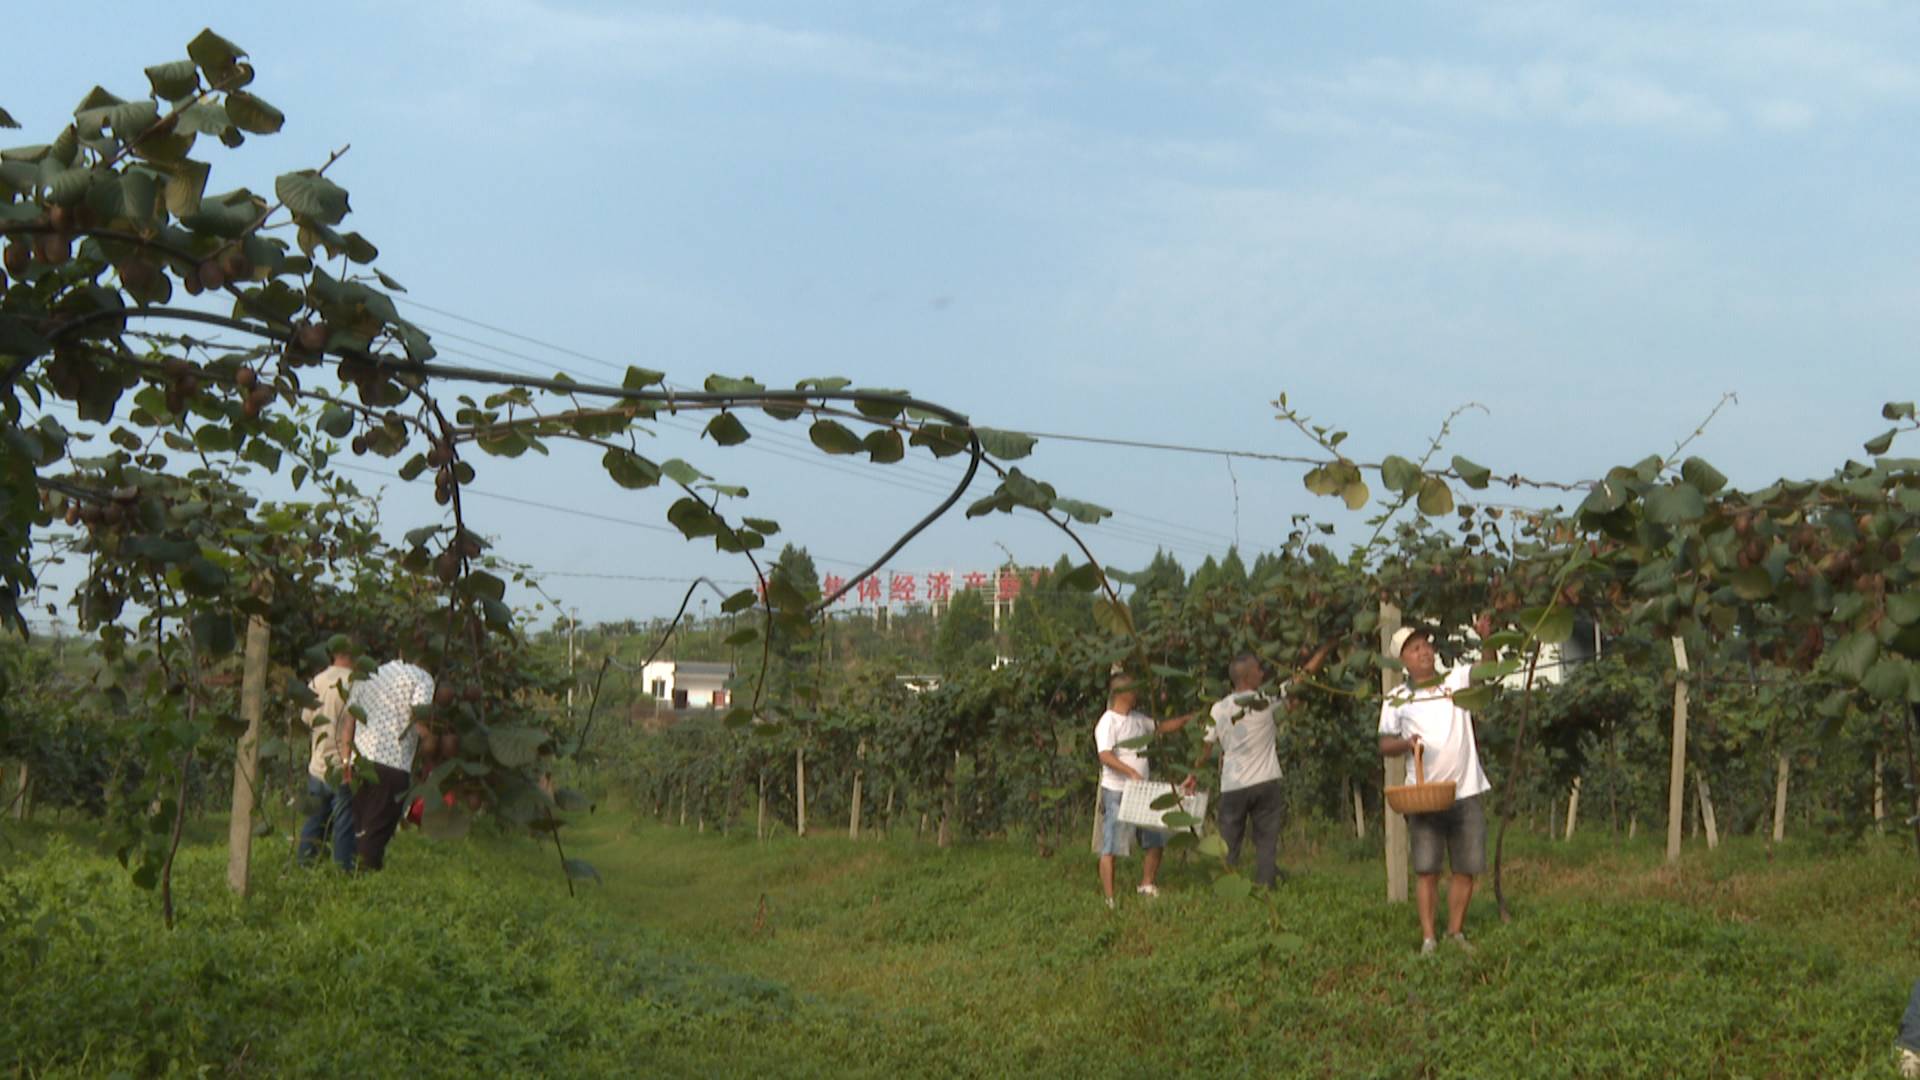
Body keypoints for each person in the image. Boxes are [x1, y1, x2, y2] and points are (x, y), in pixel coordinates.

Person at [1378, 615, 1493, 955]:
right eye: (1415, 648)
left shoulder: (1454, 681)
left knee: (1467, 867)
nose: (1424, 651)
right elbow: (1385, 744)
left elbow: (1486, 672)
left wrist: (1487, 640)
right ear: (1404, 661)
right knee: (1427, 869)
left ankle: (1455, 932)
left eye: (1426, 645)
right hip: (1424, 797)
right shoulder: (1397, 698)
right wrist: (1406, 743)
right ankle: (1429, 938)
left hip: (1465, 789)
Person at [1182, 644, 1333, 888]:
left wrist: (1193, 775)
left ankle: (1228, 889)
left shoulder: (1218, 709)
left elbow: (1206, 746)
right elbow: (1301, 677)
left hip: (1233, 785)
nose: (1263, 674)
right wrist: (1325, 649)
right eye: (1258, 670)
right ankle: (1266, 886)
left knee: (1228, 843)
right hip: (1266, 782)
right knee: (1266, 842)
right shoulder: (1267, 700)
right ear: (1248, 676)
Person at [1094, 674, 1194, 908]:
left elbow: (1161, 727)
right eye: (1133, 689)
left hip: (1141, 792)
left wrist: (1187, 719)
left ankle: (1147, 884)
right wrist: (1129, 771)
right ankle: (1110, 898)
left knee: (1154, 838)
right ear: (1121, 693)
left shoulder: (1138, 720)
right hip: (1118, 791)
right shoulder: (1108, 721)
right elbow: (1105, 755)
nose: (1137, 693)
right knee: (1111, 845)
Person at [338, 654, 436, 872]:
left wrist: (346, 759)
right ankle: (360, 885)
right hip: (392, 764)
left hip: (359, 761)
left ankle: (344, 877)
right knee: (375, 832)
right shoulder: (423, 678)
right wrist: (432, 740)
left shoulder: (368, 675)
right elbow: (419, 721)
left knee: (359, 826)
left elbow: (349, 720)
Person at [295, 646, 357, 870]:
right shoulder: (355, 684)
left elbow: (306, 720)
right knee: (343, 822)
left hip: (317, 764)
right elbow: (353, 726)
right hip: (342, 765)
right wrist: (347, 762)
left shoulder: (317, 681)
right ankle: (343, 871)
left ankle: (305, 863)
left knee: (314, 820)